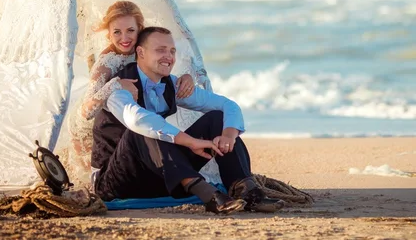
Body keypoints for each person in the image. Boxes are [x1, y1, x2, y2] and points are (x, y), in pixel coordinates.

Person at [92, 27, 284, 214]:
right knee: (144, 128)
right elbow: (136, 119)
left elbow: (228, 105)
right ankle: (209, 195)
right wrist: (192, 142)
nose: (169, 56)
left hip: (164, 175)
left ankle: (247, 191)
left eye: (172, 51)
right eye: (160, 50)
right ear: (140, 52)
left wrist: (228, 136)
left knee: (216, 118)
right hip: (118, 181)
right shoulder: (119, 86)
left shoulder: (172, 85)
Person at [67, 1, 195, 185]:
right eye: (117, 32)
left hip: (122, 121)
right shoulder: (106, 64)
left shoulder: (143, 50)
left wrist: (186, 76)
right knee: (85, 181)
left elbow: (162, 66)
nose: (124, 38)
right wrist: (114, 85)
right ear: (109, 35)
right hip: (86, 128)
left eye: (130, 30)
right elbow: (86, 113)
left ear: (140, 29)